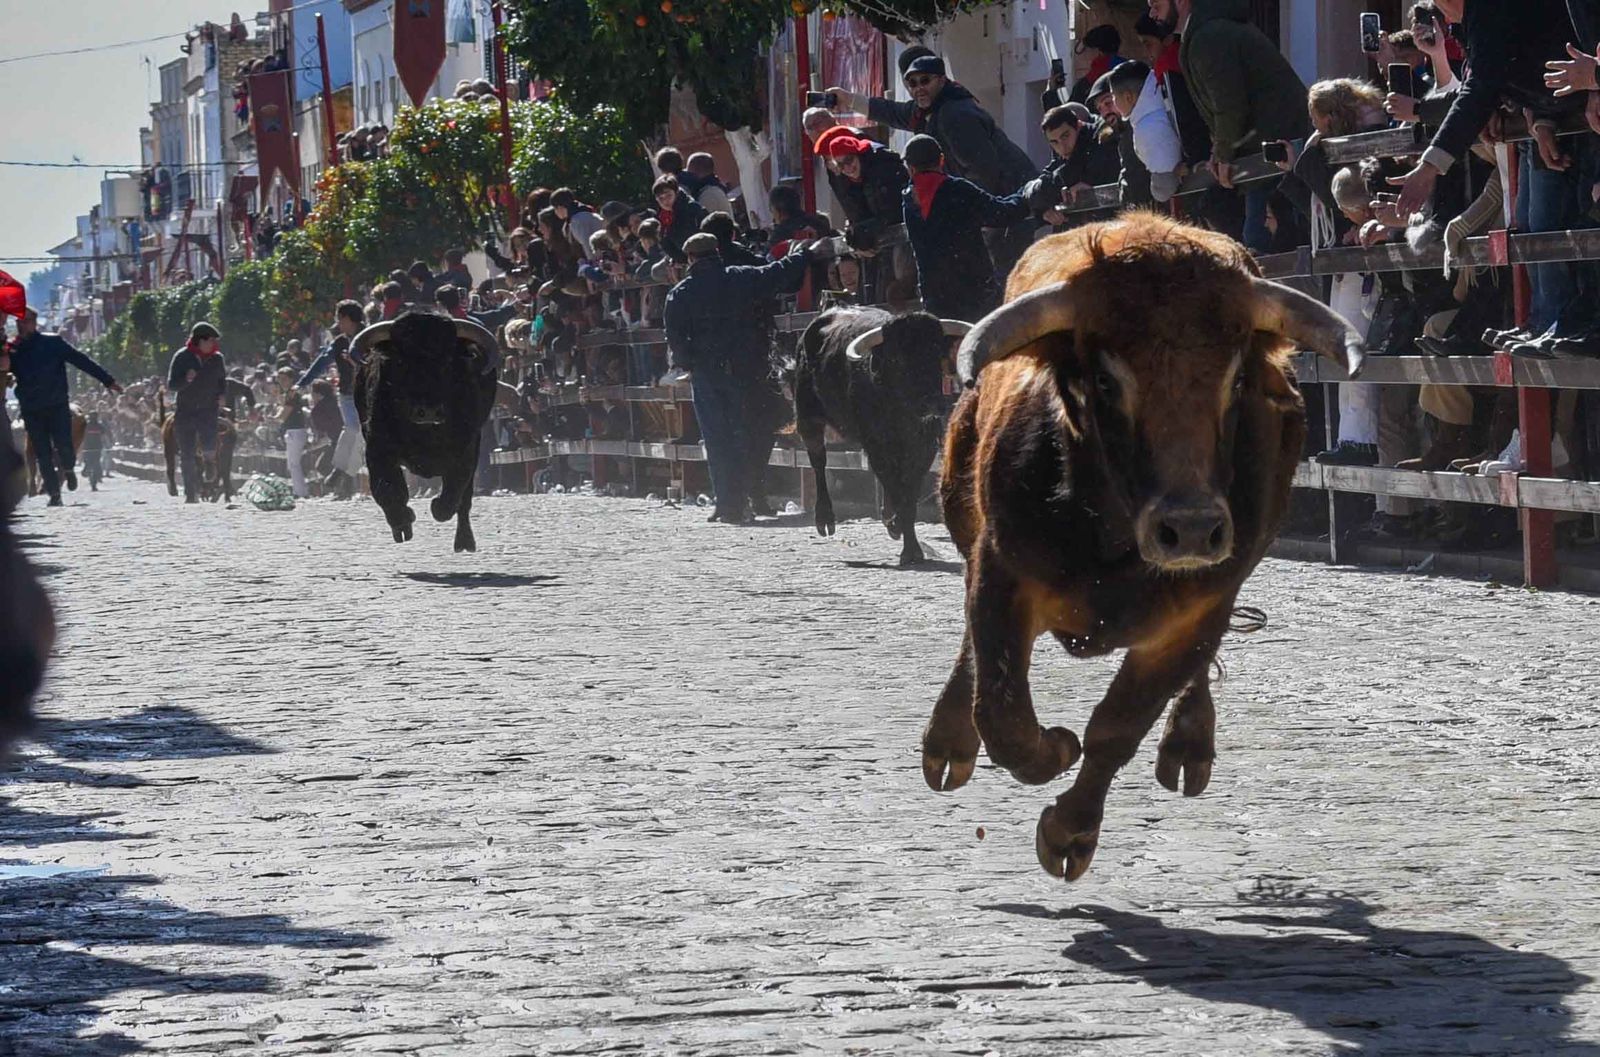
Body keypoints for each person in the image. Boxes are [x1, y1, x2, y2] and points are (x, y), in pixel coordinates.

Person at [827, 53, 1036, 271]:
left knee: (1007, 284)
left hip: (1007, 206)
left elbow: (983, 172)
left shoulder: (954, 115)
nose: (918, 88)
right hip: (998, 210)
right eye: (912, 83)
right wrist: (849, 100)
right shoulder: (929, 110)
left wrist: (972, 217)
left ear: (941, 80)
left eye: (925, 80)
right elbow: (894, 112)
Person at [663, 232, 815, 524]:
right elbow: (777, 274)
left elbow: (675, 338)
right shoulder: (740, 277)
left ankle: (727, 502)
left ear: (691, 259)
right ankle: (748, 496)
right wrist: (802, 254)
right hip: (748, 369)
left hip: (708, 373)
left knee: (717, 439)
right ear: (717, 252)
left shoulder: (680, 293)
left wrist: (691, 363)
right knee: (747, 435)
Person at [1157, 0, 1311, 251]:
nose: (1151, 11)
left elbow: (1229, 104)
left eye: (1156, 3)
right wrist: (1219, 153)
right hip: (1265, 153)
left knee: (1263, 248)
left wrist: (1223, 155)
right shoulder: (1209, 31)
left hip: (1274, 155)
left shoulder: (1209, 36)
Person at [900, 134, 1030, 323]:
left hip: (936, 299)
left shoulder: (908, 201)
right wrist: (1026, 194)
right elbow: (1001, 213)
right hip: (975, 293)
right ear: (942, 160)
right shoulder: (956, 189)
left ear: (911, 169)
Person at [4, 307, 121, 505]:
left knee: (65, 446)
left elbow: (81, 361)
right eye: (18, 322)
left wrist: (107, 380)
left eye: (25, 321)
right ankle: (54, 494)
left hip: (57, 404)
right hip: (31, 409)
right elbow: (5, 368)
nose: (21, 325)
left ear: (34, 323)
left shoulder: (53, 343)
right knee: (42, 453)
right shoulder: (14, 350)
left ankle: (68, 468)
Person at [1024, 105, 1121, 228]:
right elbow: (1031, 191)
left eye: (1065, 136)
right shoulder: (1064, 154)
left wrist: (1057, 189)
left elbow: (1071, 173)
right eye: (1054, 142)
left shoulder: (1101, 142)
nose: (1062, 146)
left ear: (1079, 126)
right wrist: (1044, 211)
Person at [166, 322, 227, 504]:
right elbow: (171, 384)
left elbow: (222, 381)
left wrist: (222, 395)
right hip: (186, 411)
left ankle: (209, 462)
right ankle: (190, 493)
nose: (213, 344)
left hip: (208, 409)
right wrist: (186, 379)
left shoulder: (217, 359)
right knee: (187, 453)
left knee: (209, 443)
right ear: (199, 340)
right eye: (209, 340)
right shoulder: (182, 357)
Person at [1108, 60, 1184, 203]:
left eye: (1113, 96)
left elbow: (1164, 187)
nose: (1113, 102)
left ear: (1128, 97)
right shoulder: (1163, 97)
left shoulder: (1147, 128)